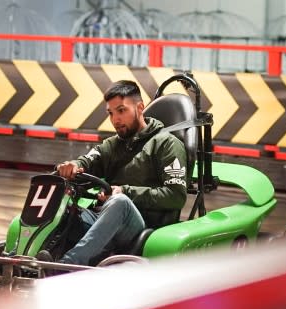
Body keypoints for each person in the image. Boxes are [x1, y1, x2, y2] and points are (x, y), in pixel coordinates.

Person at [41, 79, 188, 266]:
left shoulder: (166, 144)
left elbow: (175, 196)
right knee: (62, 204)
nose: (115, 120)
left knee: (120, 202)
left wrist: (125, 191)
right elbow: (87, 161)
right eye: (111, 113)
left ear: (140, 107)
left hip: (140, 226)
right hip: (103, 217)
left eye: (121, 110)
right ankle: (25, 256)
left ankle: (64, 266)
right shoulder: (112, 145)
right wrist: (72, 165)